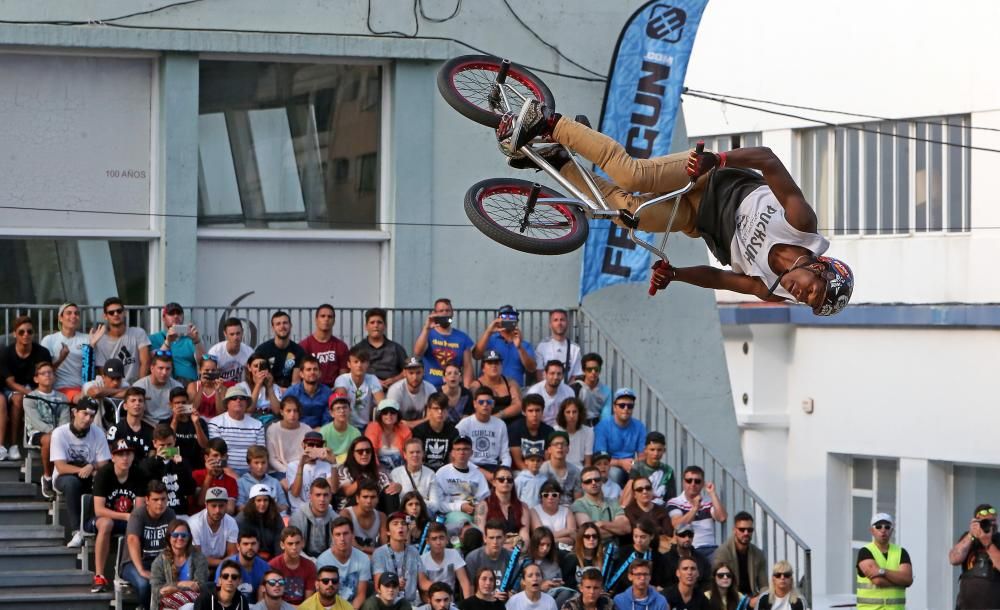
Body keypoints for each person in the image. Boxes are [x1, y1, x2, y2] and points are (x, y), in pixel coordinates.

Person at [498, 104, 855, 317]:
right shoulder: (801, 226)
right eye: (812, 291)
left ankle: (559, 160)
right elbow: (768, 160)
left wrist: (675, 274)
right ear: (819, 268)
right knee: (631, 174)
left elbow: (718, 279)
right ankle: (550, 122)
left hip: (694, 219)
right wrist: (718, 158)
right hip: (708, 179)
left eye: (807, 302)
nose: (802, 295)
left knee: (627, 214)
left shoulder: (768, 287)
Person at [53, 397, 111, 547]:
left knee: (104, 477)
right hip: (64, 477)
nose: (87, 419)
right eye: (84, 414)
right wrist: (83, 469)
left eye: (91, 416)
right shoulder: (60, 433)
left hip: (90, 475)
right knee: (71, 482)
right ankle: (76, 532)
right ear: (74, 412)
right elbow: (61, 467)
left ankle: (93, 526)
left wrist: (91, 467)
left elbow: (104, 463)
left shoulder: (98, 433)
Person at [88, 438, 144, 592]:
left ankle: (126, 573)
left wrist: (131, 518)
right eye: (120, 455)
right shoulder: (104, 474)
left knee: (138, 525)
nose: (125, 458)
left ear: (133, 456)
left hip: (128, 519)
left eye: (128, 454)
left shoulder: (138, 474)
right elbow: (99, 510)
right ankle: (99, 576)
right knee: (106, 523)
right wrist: (126, 517)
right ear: (112, 457)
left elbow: (138, 509)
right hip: (101, 519)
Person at [1, 315, 52, 460]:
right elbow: (10, 382)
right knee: (18, 399)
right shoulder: (6, 352)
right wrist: (31, 393)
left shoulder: (42, 352)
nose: (26, 335)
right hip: (10, 388)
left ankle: (17, 445)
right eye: (21, 332)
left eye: (29, 332)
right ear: (14, 334)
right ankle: (12, 445)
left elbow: (47, 372)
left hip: (34, 387)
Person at [124, 481, 177, 609]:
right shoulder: (138, 514)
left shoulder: (170, 514)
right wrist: (141, 570)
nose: (160, 503)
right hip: (134, 563)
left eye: (163, 499)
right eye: (155, 499)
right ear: (147, 500)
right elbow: (132, 540)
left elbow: (174, 541)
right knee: (144, 584)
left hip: (161, 563)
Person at [23, 361, 71, 498]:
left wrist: (59, 433)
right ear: (36, 378)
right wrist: (55, 433)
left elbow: (65, 419)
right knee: (50, 439)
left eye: (50, 372)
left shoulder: (62, 398)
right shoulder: (30, 397)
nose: (47, 376)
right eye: (43, 373)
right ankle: (48, 477)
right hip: (36, 433)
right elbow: (35, 421)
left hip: (59, 433)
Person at [666, 466, 727, 560]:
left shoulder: (709, 502)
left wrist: (712, 494)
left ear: (702, 484)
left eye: (697, 481)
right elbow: (677, 524)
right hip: (688, 549)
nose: (693, 484)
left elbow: (722, 517)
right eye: (689, 480)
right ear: (683, 482)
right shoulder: (675, 502)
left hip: (710, 549)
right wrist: (695, 509)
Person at [150, 519, 211, 610]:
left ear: (189, 537)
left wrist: (174, 589)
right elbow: (157, 590)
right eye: (175, 535)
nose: (180, 538)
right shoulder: (159, 561)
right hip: (167, 606)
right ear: (169, 537)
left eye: (183, 535)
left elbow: (200, 586)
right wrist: (181, 584)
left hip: (193, 604)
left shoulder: (199, 558)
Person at [413, 298, 475, 388]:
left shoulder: (462, 337)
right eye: (441, 311)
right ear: (435, 313)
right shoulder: (428, 334)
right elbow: (418, 353)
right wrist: (426, 328)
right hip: (430, 387)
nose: (445, 313)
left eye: (447, 310)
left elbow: (467, 366)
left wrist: (467, 389)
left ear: (452, 313)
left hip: (453, 387)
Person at [854, 512, 912, 610]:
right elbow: (878, 581)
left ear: (892, 530)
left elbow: (907, 579)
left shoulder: (901, 552)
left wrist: (882, 571)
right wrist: (900, 581)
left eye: (887, 527)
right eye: (878, 526)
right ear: (871, 530)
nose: (883, 530)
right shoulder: (865, 551)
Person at [435, 436, 490, 534]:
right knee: (466, 525)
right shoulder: (442, 473)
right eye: (458, 449)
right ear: (452, 452)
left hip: (476, 514)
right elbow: (438, 504)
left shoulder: (478, 475)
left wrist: (476, 507)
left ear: (471, 453)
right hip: (451, 515)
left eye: (466, 449)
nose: (462, 452)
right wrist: (460, 506)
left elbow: (484, 499)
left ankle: (481, 535)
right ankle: (479, 536)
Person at [140, 422, 197, 516]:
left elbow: (190, 490)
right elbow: (143, 487)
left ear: (175, 441)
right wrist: (157, 461)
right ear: (154, 443)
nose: (166, 449)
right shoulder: (147, 464)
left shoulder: (183, 462)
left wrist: (180, 466)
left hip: (179, 512)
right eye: (162, 445)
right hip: (156, 515)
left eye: (169, 444)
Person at [472, 305, 536, 387]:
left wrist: (519, 347)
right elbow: (476, 356)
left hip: (515, 389)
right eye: (504, 316)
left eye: (512, 316)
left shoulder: (524, 345)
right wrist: (488, 331)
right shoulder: (489, 339)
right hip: (488, 389)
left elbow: (532, 368)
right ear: (498, 319)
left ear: (517, 321)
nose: (508, 319)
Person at [593, 389, 646, 487]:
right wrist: (621, 463)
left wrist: (634, 464)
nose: (626, 408)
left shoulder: (639, 426)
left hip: (631, 465)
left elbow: (642, 456)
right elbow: (599, 460)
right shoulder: (602, 427)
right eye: (622, 405)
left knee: (645, 473)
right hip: (609, 465)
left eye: (630, 406)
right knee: (615, 474)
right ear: (614, 407)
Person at [950, 503, 1000, 609]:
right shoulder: (968, 538)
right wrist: (971, 535)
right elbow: (954, 559)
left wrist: (988, 543)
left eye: (992, 521)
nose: (989, 525)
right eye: (985, 522)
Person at [209, 385, 266, 476]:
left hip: (252, 473)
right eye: (234, 398)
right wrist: (232, 474)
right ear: (227, 403)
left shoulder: (257, 425)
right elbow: (216, 454)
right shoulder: (215, 423)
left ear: (247, 403)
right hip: (224, 472)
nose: (238, 400)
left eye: (242, 398)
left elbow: (261, 453)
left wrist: (251, 476)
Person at [91, 297, 150, 384]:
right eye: (111, 312)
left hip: (137, 387)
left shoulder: (138, 333)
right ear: (105, 316)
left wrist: (139, 386)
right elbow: (103, 372)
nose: (116, 314)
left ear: (124, 312)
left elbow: (145, 362)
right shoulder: (100, 341)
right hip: (114, 387)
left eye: (119, 311)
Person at [317, 517, 372, 609]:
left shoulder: (363, 558)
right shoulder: (323, 560)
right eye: (338, 534)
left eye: (345, 534)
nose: (342, 538)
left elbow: (361, 595)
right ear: (332, 537)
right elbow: (324, 596)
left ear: (352, 535)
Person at [455, 387, 511, 478]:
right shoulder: (464, 424)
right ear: (474, 404)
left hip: (493, 466)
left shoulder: (501, 424)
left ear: (493, 404)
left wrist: (503, 471)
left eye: (488, 402)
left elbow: (505, 453)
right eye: (481, 402)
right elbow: (457, 453)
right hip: (470, 466)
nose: (485, 405)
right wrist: (484, 474)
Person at [39, 302, 90, 402]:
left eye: (76, 313)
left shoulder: (87, 339)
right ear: (60, 318)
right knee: (85, 401)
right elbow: (43, 372)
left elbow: (91, 367)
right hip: (61, 388)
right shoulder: (49, 340)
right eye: (69, 313)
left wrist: (93, 345)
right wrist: (61, 358)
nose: (73, 316)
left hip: (85, 387)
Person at [712, 512, 767, 602]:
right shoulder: (723, 552)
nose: (746, 533)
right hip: (730, 598)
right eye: (742, 529)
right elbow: (719, 584)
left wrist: (763, 598)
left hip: (752, 598)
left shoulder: (758, 554)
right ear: (734, 530)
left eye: (749, 530)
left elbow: (764, 585)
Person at [335, 436, 398, 512]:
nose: (364, 454)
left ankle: (393, 520)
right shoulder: (343, 469)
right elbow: (347, 491)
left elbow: (388, 487)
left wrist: (396, 487)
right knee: (367, 493)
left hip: (375, 507)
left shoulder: (379, 471)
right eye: (360, 451)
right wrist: (363, 481)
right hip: (349, 508)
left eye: (368, 451)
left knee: (391, 492)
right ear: (353, 453)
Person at [373, 511, 423, 605]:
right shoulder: (379, 553)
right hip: (388, 604)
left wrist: (438, 588)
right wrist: (394, 583)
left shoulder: (414, 551)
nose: (400, 526)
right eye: (395, 524)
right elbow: (377, 586)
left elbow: (423, 582)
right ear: (388, 532)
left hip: (411, 603)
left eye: (403, 524)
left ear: (407, 530)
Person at [572, 465, 631, 543]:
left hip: (614, 549)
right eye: (588, 481)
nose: (593, 483)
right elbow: (589, 533)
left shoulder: (613, 502)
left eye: (596, 479)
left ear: (601, 482)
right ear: (583, 486)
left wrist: (602, 524)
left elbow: (626, 528)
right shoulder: (579, 504)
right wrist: (616, 530)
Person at [352, 308, 408, 391]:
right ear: (366, 327)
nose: (376, 325)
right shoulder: (358, 349)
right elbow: (352, 371)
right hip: (366, 391)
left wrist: (394, 380)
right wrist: (374, 381)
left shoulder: (396, 348)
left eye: (379, 322)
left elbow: (407, 370)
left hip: (392, 390)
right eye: (372, 322)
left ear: (385, 326)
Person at [149, 302, 204, 384]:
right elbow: (154, 362)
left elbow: (202, 363)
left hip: (189, 383)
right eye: (171, 314)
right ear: (163, 318)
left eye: (179, 313)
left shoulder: (191, 338)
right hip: (165, 383)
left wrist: (197, 341)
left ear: (183, 317)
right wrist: (168, 342)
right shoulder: (154, 338)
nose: (176, 316)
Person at [475, 465, 529, 545]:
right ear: (494, 482)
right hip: (492, 549)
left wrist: (518, 550)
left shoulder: (523, 507)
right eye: (501, 479)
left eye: (509, 480)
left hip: (516, 551)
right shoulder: (483, 506)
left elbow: (525, 535)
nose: (506, 482)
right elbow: (481, 535)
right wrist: (503, 547)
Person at [333, 346, 385, 430]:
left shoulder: (372, 379)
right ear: (349, 364)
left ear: (368, 364)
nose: (359, 365)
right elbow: (341, 403)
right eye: (356, 362)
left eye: (363, 362)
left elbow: (383, 404)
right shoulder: (342, 379)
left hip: (366, 427)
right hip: (346, 426)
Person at [608, 520, 665, 596]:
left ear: (651, 536)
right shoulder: (622, 551)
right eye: (636, 536)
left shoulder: (657, 557)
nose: (638, 540)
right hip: (620, 594)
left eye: (643, 537)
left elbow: (656, 582)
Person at [300, 304, 351, 386]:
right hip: (311, 390)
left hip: (334, 391)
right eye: (322, 316)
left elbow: (343, 377)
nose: (326, 319)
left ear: (334, 321)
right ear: (316, 320)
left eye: (330, 317)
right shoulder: (304, 345)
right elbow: (301, 374)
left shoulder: (341, 346)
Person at [190, 486, 241, 568]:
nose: (217, 510)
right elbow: (197, 558)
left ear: (226, 505)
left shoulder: (231, 522)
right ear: (206, 505)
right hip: (199, 566)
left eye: (221, 506)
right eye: (213, 506)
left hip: (224, 566)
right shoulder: (194, 523)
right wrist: (222, 563)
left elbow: (232, 554)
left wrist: (222, 564)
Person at [216, 530, 272, 603]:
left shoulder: (265, 567)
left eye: (253, 543)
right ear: (238, 546)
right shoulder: (226, 566)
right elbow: (218, 592)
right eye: (245, 544)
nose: (250, 547)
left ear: (258, 545)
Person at [255, 311, 306, 391]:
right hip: (267, 391)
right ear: (273, 328)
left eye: (285, 323)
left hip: (290, 394)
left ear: (290, 325)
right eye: (278, 324)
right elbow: (260, 379)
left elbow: (296, 384)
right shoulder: (262, 350)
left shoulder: (298, 351)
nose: (282, 326)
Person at [621, 432, 675, 507]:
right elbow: (630, 490)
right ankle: (622, 511)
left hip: (661, 509)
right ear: (645, 450)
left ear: (664, 450)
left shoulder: (668, 470)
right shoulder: (637, 467)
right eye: (652, 450)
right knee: (630, 483)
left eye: (659, 450)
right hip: (641, 507)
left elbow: (671, 498)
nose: (656, 453)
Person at [421, 522, 473, 598]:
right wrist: (441, 589)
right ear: (427, 542)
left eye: (441, 538)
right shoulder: (422, 559)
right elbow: (422, 583)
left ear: (447, 539)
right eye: (434, 539)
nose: (438, 542)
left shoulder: (454, 554)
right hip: (429, 602)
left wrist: (467, 604)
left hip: (450, 602)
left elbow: (464, 582)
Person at [468, 350, 522, 422]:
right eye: (490, 363)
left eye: (497, 363)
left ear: (501, 366)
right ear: (483, 368)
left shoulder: (510, 383)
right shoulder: (476, 386)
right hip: (486, 423)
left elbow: (518, 405)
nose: (494, 366)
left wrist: (498, 416)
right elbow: (474, 408)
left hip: (510, 421)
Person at [287, 431, 335, 512]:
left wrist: (334, 464)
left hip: (322, 510)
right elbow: (295, 493)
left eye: (318, 445)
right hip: (300, 510)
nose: (315, 448)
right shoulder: (293, 465)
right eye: (311, 444)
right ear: (303, 445)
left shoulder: (326, 465)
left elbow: (333, 489)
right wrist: (301, 465)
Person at [290, 478, 338, 559]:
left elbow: (336, 548)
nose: (322, 499)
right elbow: (294, 548)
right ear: (310, 496)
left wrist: (323, 563)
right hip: (302, 561)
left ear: (330, 497)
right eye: (318, 495)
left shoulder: (336, 519)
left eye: (325, 495)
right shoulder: (297, 518)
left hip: (328, 562)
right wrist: (312, 563)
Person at [464, 521, 512, 602]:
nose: (495, 542)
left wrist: (511, 593)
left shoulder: (511, 557)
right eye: (491, 537)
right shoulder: (472, 558)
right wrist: (490, 596)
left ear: (505, 538)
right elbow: (470, 591)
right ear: (485, 538)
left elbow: (516, 587)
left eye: (499, 537)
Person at [390, 438, 442, 513]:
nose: (415, 455)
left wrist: (414, 504)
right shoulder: (395, 473)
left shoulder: (430, 474)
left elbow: (435, 505)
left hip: (424, 515)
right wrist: (423, 502)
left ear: (423, 454)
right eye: (411, 452)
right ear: (405, 455)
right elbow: (394, 503)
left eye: (418, 452)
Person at [269, 525, 317, 605]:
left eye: (297, 543)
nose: (294, 547)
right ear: (282, 545)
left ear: (303, 543)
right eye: (290, 544)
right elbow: (272, 599)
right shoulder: (273, 566)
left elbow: (308, 601)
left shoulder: (310, 566)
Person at [133, 350, 185, 424]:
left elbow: (184, 413)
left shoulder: (178, 386)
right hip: (146, 426)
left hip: (171, 425)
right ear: (152, 368)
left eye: (168, 369)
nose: (164, 372)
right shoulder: (139, 386)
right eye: (160, 368)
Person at [410, 392, 459, 471]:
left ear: (447, 411)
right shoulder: (418, 431)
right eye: (436, 408)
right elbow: (417, 457)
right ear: (428, 410)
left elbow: (453, 458)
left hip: (445, 472)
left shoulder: (453, 431)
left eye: (443, 409)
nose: (440, 412)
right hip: (424, 471)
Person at [623, 476, 674, 551]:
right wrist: (658, 529)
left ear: (652, 490)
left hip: (663, 545)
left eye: (648, 488)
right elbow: (640, 530)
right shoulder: (629, 511)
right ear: (634, 494)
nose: (644, 491)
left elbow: (669, 533)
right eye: (640, 489)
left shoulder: (661, 510)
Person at [524, 526, 573, 603]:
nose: (545, 548)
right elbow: (517, 587)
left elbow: (559, 583)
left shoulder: (553, 565)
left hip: (550, 598)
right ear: (535, 543)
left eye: (548, 545)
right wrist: (540, 587)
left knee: (566, 593)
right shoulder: (523, 562)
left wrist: (557, 584)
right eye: (542, 544)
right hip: (527, 600)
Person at [237, 484, 285, 560]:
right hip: (249, 558)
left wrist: (277, 561)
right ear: (253, 502)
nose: (262, 504)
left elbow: (279, 542)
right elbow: (242, 545)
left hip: (272, 558)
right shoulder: (242, 518)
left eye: (265, 500)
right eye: (259, 500)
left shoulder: (276, 516)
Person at [285, 356, 334, 428]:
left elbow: (328, 418)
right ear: (301, 374)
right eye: (308, 369)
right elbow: (286, 416)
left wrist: (323, 429)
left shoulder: (327, 393)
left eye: (315, 369)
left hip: (320, 432)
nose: (312, 372)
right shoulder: (292, 392)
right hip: (296, 430)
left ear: (320, 373)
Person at [341, 479, 387, 556]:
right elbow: (351, 545)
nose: (369, 501)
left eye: (373, 497)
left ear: (378, 499)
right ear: (357, 499)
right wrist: (374, 551)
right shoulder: (346, 514)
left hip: (374, 556)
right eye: (365, 497)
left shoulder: (381, 516)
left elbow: (385, 546)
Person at [534, 309, 582, 381]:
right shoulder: (542, 346)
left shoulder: (575, 348)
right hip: (546, 390)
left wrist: (567, 390)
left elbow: (576, 375)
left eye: (562, 320)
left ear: (567, 323)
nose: (559, 323)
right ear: (550, 324)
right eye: (555, 320)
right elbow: (539, 372)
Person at [169, 385, 210, 470]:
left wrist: (196, 423)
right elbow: (168, 448)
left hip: (197, 468)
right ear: (171, 405)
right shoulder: (165, 423)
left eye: (183, 403)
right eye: (177, 403)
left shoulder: (200, 422)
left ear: (188, 403)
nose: (181, 405)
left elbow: (205, 445)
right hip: (175, 467)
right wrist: (175, 420)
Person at [386, 357, 436, 427]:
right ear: (404, 373)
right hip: (398, 429)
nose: (415, 377)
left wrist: (410, 424)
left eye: (418, 373)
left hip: (423, 430)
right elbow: (390, 419)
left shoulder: (430, 389)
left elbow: (433, 417)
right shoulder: (395, 390)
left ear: (424, 372)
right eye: (411, 373)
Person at [508, 395, 553, 471]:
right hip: (519, 471)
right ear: (524, 412)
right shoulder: (514, 429)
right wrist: (531, 476)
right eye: (530, 411)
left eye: (537, 410)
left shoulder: (549, 431)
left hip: (542, 471)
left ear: (542, 411)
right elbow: (518, 461)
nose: (534, 415)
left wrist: (538, 475)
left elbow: (547, 461)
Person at [193, 438, 239, 514]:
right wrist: (209, 475)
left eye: (222, 456)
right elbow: (200, 503)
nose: (219, 459)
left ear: (227, 457)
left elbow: (230, 510)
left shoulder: (231, 481)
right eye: (215, 455)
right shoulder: (196, 475)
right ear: (206, 458)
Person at [107, 386, 155, 459]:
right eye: (133, 400)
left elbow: (152, 459)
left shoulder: (151, 431)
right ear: (125, 406)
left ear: (144, 406)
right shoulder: (115, 430)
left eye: (140, 400)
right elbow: (108, 456)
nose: (137, 403)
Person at [365, 398, 412, 471]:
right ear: (380, 415)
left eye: (392, 412)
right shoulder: (373, 427)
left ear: (397, 414)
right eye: (385, 412)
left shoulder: (404, 429)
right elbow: (371, 452)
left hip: (401, 470)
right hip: (377, 470)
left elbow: (409, 453)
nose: (389, 415)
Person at [662, 524, 711, 593]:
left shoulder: (701, 559)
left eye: (690, 535)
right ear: (676, 537)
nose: (687, 538)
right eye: (683, 535)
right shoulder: (665, 559)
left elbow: (707, 582)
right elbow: (663, 584)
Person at [269, 395, 310, 475]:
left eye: (295, 411)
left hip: (303, 470)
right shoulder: (272, 430)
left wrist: (300, 471)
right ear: (281, 412)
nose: (292, 414)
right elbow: (272, 459)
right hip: (280, 471)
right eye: (288, 411)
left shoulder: (307, 430)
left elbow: (310, 456)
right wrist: (289, 471)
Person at [526, 361, 576, 426]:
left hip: (562, 428)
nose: (555, 377)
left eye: (559, 374)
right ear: (545, 374)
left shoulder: (569, 392)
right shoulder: (534, 391)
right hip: (540, 428)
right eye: (552, 373)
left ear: (563, 376)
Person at [530, 480, 577, 548]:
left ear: (559, 496)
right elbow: (540, 537)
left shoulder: (567, 511)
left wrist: (549, 541)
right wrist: (567, 531)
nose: (550, 497)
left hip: (564, 551)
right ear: (541, 497)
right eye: (546, 495)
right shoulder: (534, 511)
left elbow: (572, 539)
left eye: (554, 495)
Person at [540, 430, 582, 506]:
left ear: (568, 449)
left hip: (570, 510)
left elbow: (578, 501)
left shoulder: (575, 471)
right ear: (549, 449)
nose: (560, 447)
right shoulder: (542, 470)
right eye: (556, 444)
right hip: (549, 509)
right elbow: (540, 498)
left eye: (563, 444)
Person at [237, 445, 283, 512]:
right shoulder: (241, 483)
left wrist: (271, 507)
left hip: (272, 518)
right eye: (256, 463)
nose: (260, 466)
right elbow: (239, 507)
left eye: (263, 463)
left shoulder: (275, 482)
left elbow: (284, 505)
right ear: (249, 463)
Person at [209, 317, 255, 385]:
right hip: (220, 388)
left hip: (242, 390)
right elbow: (209, 377)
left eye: (238, 333)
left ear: (242, 332)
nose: (235, 337)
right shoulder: (215, 352)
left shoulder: (249, 353)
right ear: (225, 334)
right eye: (232, 334)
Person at [561, 524, 607, 590]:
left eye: (595, 536)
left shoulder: (605, 558)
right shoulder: (571, 558)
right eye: (587, 536)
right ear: (580, 538)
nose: (591, 539)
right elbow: (567, 585)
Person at [319, 395, 362, 464]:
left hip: (348, 464)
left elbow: (356, 454)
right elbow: (321, 453)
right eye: (338, 408)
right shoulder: (324, 431)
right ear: (331, 413)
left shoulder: (356, 433)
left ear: (350, 410)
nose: (342, 411)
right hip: (327, 464)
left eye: (344, 407)